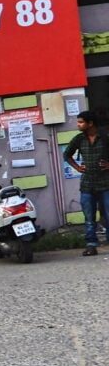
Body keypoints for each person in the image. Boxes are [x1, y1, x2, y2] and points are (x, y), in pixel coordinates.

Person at [63, 109, 109, 256]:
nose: (78, 124)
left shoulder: (105, 137)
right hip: (87, 184)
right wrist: (77, 167)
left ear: (90, 123)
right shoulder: (79, 139)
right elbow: (67, 155)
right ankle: (91, 245)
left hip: (106, 183)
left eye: (81, 122)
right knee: (89, 217)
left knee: (108, 214)